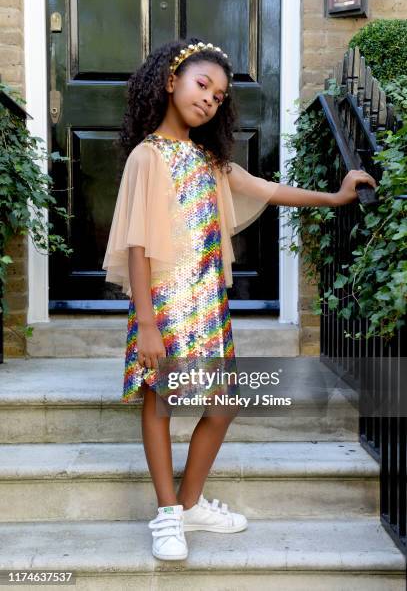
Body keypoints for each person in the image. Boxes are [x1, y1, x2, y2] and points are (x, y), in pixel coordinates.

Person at [102, 38, 376, 561]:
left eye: (220, 95)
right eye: (202, 85)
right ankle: (166, 515)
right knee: (161, 402)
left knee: (223, 405)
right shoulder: (148, 156)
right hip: (162, 303)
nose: (210, 99)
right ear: (169, 81)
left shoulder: (208, 160)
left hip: (208, 302)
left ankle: (190, 505)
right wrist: (147, 321)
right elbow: (137, 245)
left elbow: (268, 189)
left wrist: (336, 196)